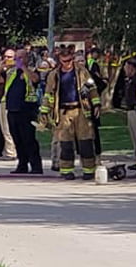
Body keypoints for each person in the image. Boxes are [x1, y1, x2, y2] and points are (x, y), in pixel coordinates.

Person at [39, 46, 101, 180]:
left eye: (69, 61)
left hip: (81, 111)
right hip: (64, 112)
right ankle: (66, 171)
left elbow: (92, 85)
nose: (66, 64)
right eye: (63, 61)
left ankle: (89, 171)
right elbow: (48, 94)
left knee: (86, 142)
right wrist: (44, 112)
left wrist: (96, 104)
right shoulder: (54, 75)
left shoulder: (82, 72)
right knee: (65, 143)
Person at [6, 48, 43, 174]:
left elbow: (35, 79)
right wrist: (0, 67)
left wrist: (24, 68)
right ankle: (22, 165)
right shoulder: (11, 72)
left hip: (27, 109)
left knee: (29, 139)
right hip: (12, 109)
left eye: (21, 58)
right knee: (17, 139)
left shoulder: (32, 70)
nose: (18, 60)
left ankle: (36, 166)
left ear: (27, 58)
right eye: (16, 58)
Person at [0, 49, 18, 160]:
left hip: (15, 101)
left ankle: (12, 152)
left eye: (10, 57)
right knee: (5, 128)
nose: (7, 59)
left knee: (12, 128)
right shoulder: (3, 71)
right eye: (5, 56)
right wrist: (0, 66)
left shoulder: (19, 69)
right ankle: (10, 151)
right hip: (3, 100)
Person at [118, 57, 136, 171]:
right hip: (130, 110)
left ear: (131, 67)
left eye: (126, 67)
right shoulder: (130, 79)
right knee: (135, 137)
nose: (124, 69)